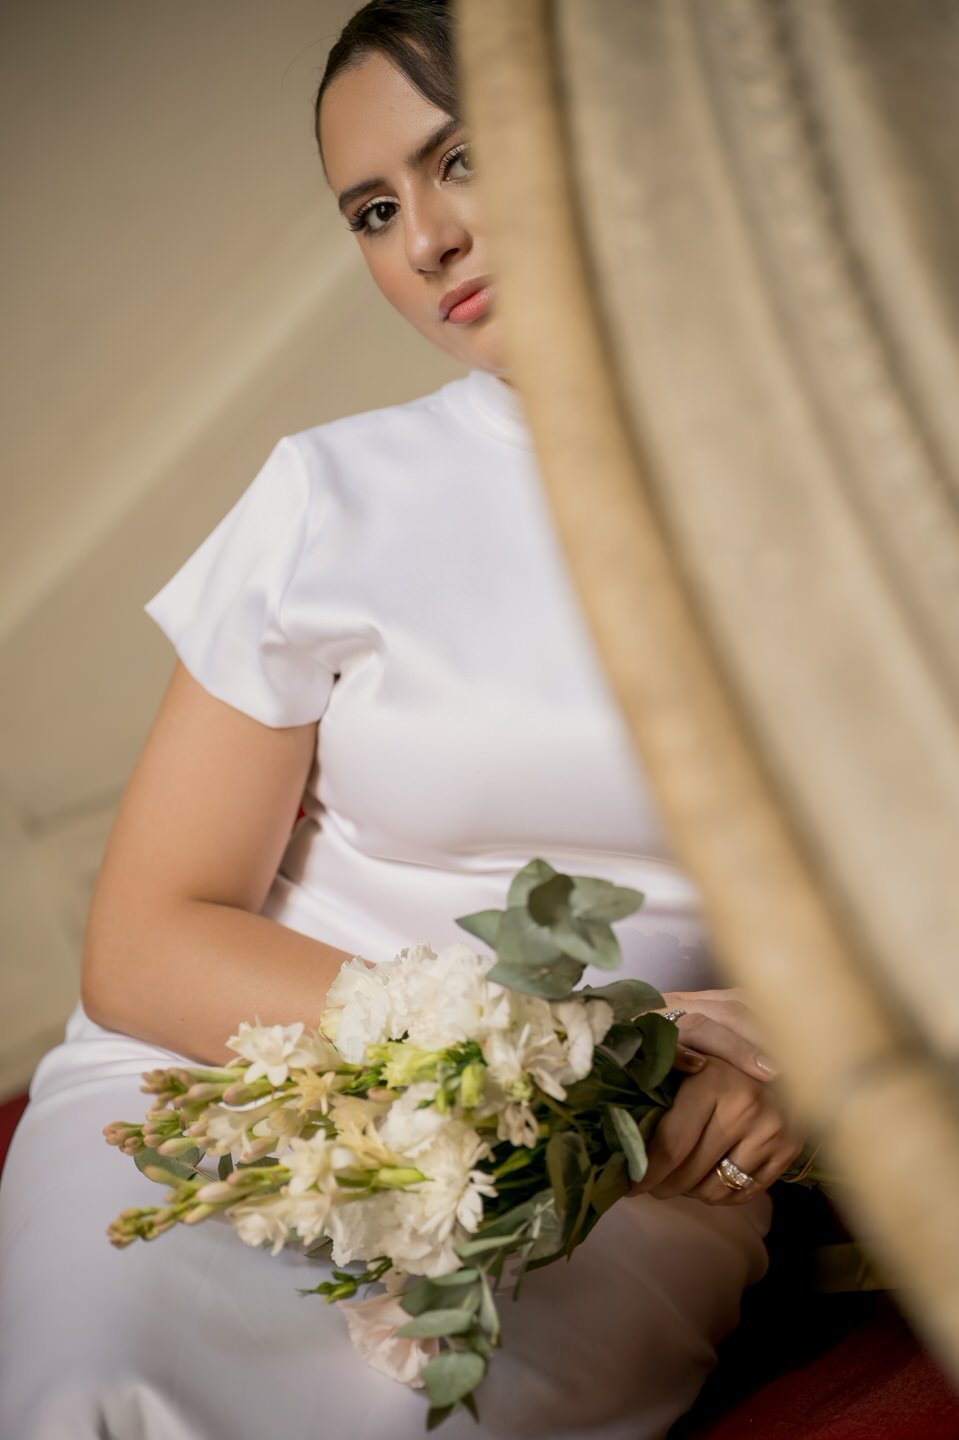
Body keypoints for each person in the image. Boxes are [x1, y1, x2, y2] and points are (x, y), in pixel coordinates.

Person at [0, 2, 804, 1436]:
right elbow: (146, 941)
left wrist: (793, 1063)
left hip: (621, 1171)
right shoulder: (331, 497)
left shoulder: (870, 477)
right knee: (99, 1398)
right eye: (373, 210)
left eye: (463, 159)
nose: (424, 240)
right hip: (242, 1075)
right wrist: (560, 1033)